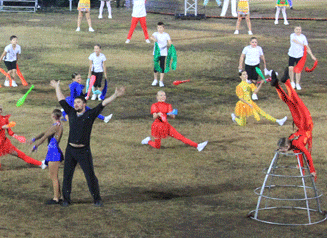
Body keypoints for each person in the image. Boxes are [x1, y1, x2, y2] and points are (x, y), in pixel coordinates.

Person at [50, 79, 124, 207]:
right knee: (67, 175)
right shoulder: (71, 112)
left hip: (84, 151)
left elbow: (103, 104)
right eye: (75, 103)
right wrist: (57, 87)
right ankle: (66, 200)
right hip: (70, 150)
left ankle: (97, 198)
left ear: (84, 104)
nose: (76, 104)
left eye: (78, 102)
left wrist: (115, 95)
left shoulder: (90, 114)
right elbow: (61, 99)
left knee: (90, 177)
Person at [271, 70, 316, 179]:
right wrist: (302, 168)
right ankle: (279, 84)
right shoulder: (292, 141)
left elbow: (305, 155)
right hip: (302, 125)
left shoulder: (295, 143)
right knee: (291, 103)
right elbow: (301, 154)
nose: (281, 151)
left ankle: (282, 83)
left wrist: (312, 170)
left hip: (304, 125)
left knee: (295, 102)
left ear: (287, 146)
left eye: (282, 149)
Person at [141, 91, 208, 151]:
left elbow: (173, 117)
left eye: (164, 95)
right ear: (157, 97)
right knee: (157, 146)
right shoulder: (154, 105)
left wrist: (172, 114)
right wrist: (158, 114)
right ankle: (148, 141)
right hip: (157, 127)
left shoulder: (168, 105)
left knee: (180, 137)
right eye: (161, 95)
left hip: (166, 126)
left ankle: (197, 146)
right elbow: (154, 117)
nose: (163, 97)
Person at [31, 109, 64, 204]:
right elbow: (44, 133)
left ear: (53, 116)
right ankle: (60, 196)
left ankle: (56, 199)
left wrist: (35, 146)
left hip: (54, 153)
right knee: (54, 176)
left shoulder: (56, 127)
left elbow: (44, 137)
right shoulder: (56, 125)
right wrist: (33, 139)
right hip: (53, 152)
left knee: (54, 177)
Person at [288, 26, 316, 90]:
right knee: (290, 68)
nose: (298, 31)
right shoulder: (292, 35)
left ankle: (297, 83)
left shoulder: (303, 37)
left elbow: (307, 47)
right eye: (297, 29)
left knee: (298, 70)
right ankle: (292, 82)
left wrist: (312, 55)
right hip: (292, 54)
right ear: (294, 30)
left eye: (299, 29)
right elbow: (294, 40)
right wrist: (302, 44)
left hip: (300, 55)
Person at [151, 22, 172, 87]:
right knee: (156, 66)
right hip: (156, 52)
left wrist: (170, 43)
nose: (159, 29)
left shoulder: (166, 35)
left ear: (163, 28)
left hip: (163, 53)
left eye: (160, 27)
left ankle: (161, 81)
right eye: (158, 28)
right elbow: (151, 37)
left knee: (162, 66)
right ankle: (155, 80)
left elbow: (169, 41)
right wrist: (154, 39)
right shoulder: (155, 34)